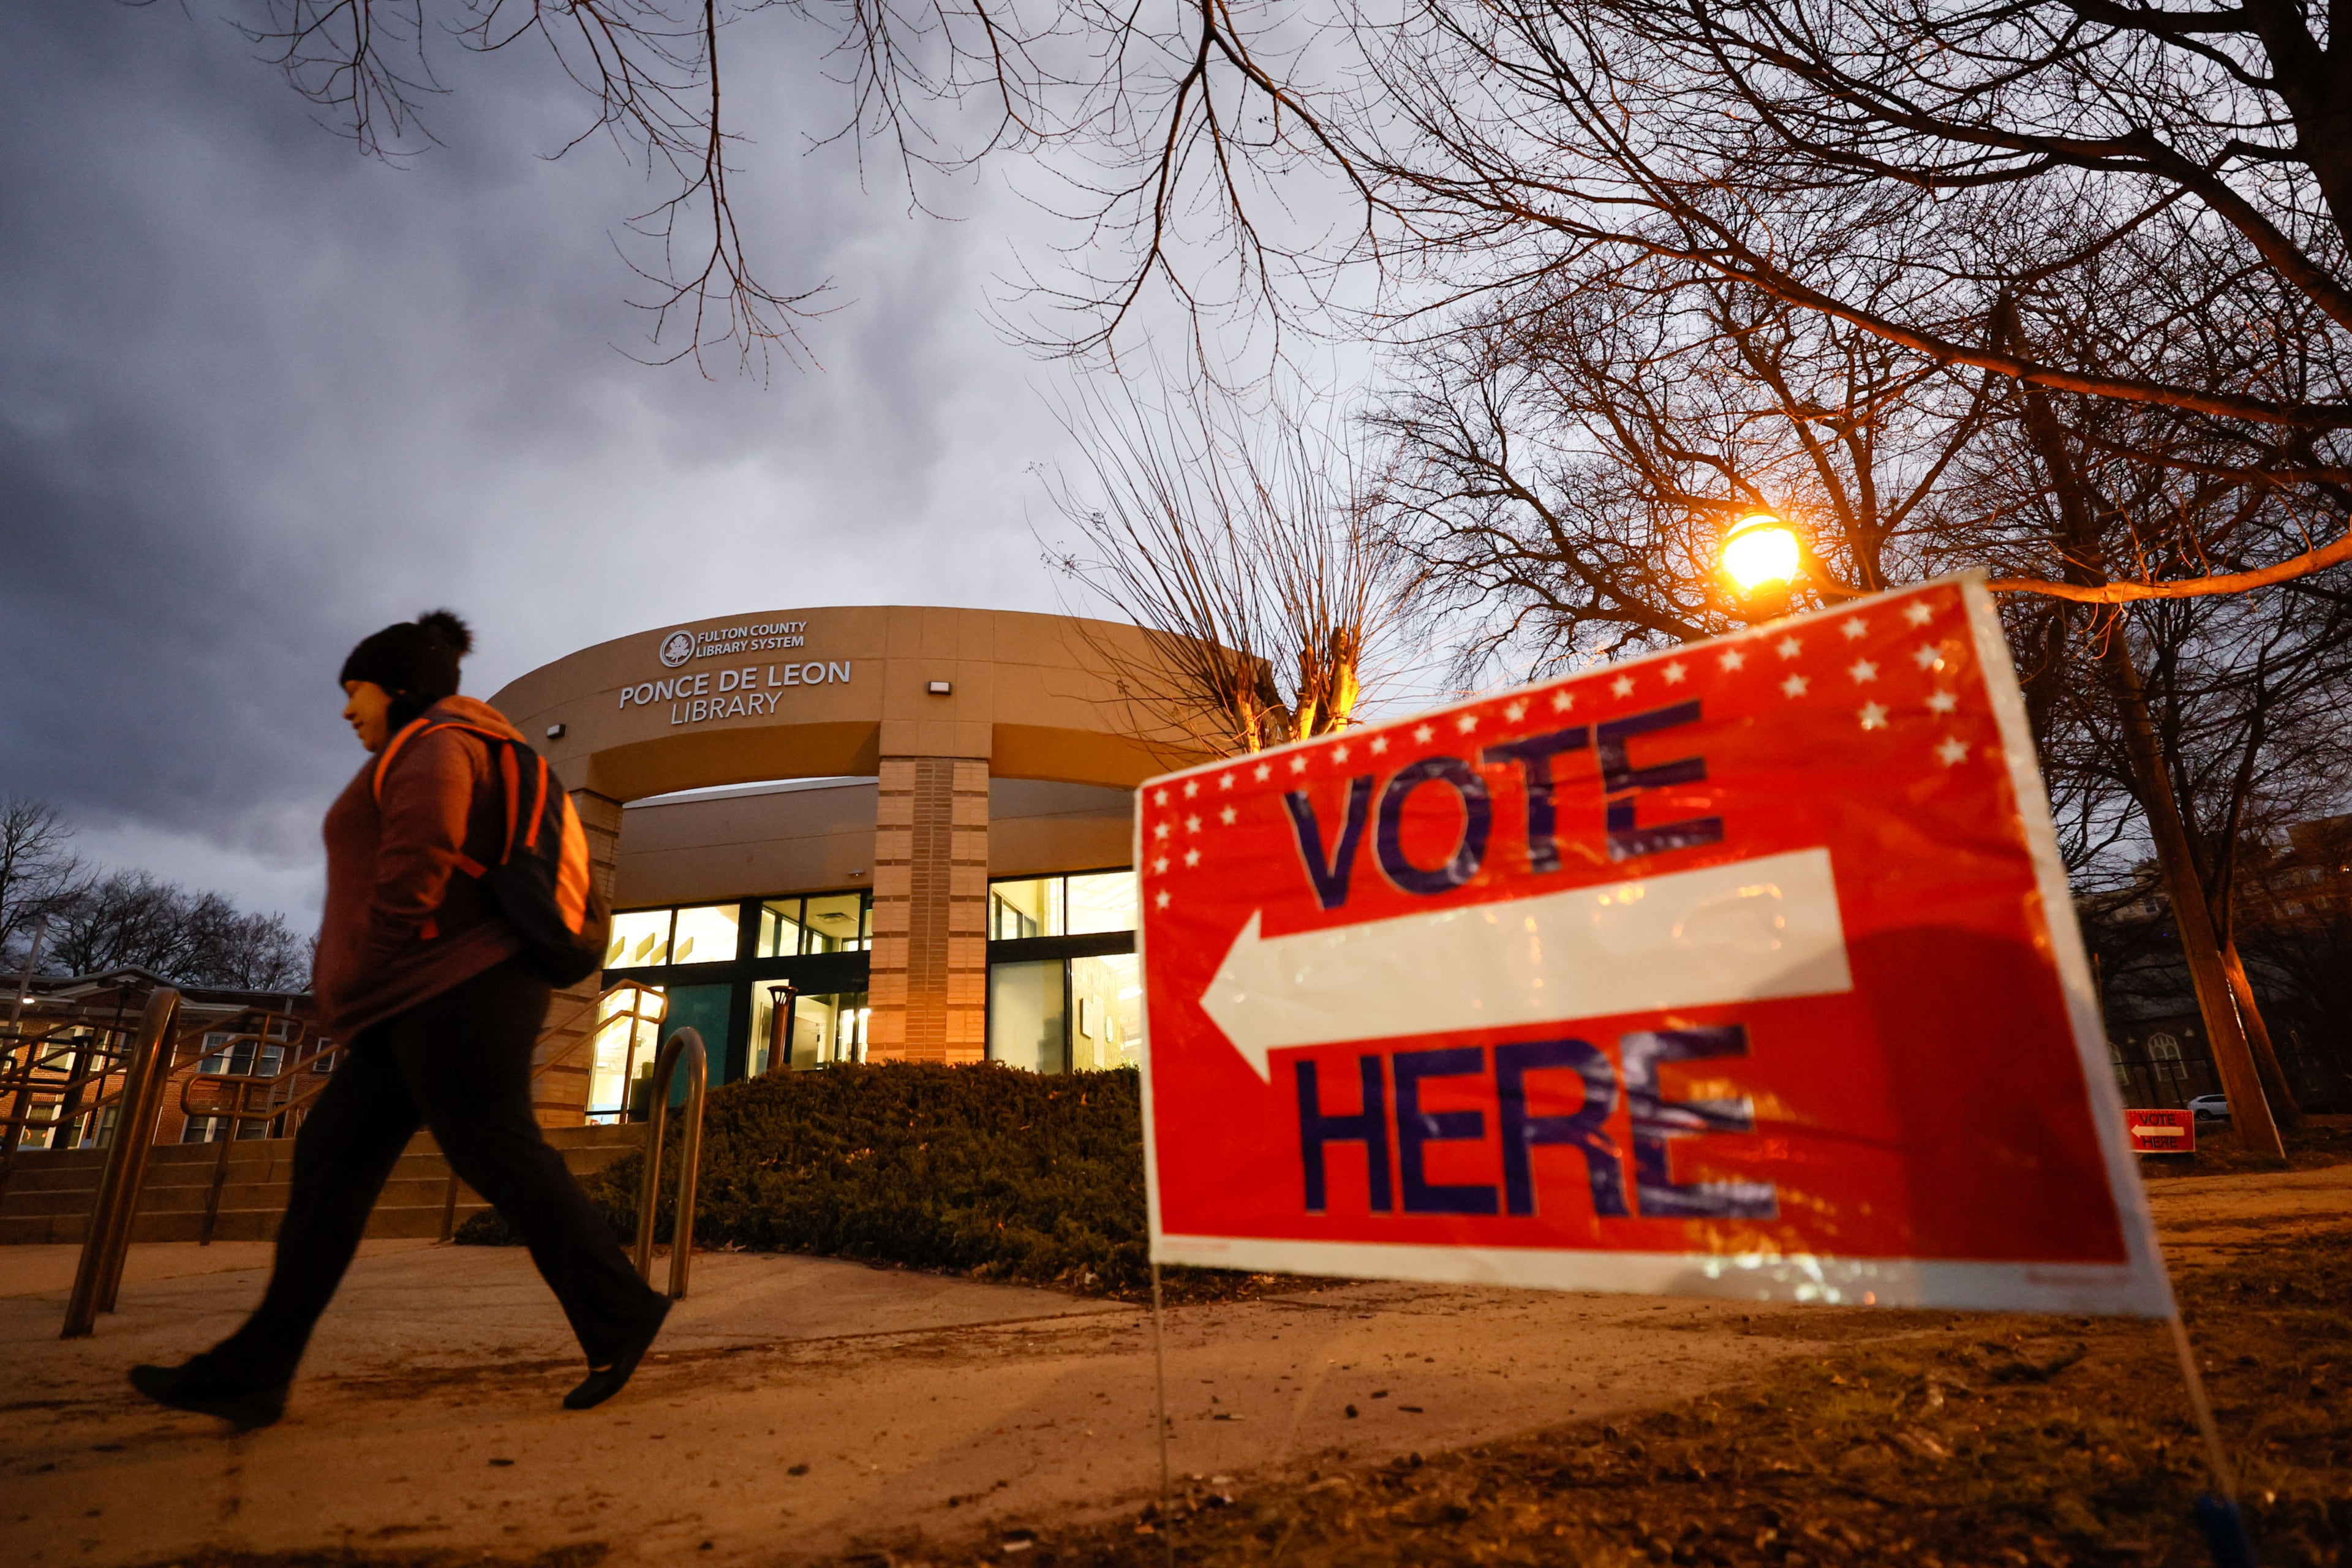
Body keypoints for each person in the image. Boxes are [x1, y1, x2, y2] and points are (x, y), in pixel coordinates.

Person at [130, 610, 668, 1428]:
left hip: (451, 988)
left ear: (400, 688)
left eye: (359, 692)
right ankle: (258, 1368)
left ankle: (621, 1308)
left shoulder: (434, 744)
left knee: (497, 1154)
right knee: (334, 1162)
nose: (350, 711)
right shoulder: (450, 741)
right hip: (423, 998)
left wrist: (371, 956)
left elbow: (422, 853)